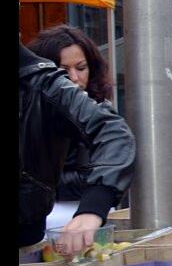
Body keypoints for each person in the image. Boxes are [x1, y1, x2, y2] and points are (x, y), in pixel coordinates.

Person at [19, 40, 135, 256]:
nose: (75, 77)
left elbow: (112, 132)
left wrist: (93, 206)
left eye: (81, 68)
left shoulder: (43, 84)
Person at [28, 24, 119, 203]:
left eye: (81, 67)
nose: (74, 78)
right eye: (63, 70)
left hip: (78, 211)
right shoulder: (31, 106)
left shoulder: (97, 111)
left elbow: (87, 177)